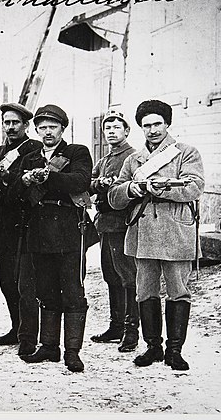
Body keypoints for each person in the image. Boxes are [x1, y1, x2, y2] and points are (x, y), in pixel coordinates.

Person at [108, 100, 204, 371]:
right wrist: (133, 189)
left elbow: (194, 187)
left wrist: (158, 188)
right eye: (146, 125)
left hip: (175, 230)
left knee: (178, 292)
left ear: (167, 124)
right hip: (143, 232)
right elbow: (114, 198)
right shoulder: (133, 160)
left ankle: (175, 350)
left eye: (157, 124)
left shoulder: (185, 152)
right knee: (144, 292)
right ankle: (153, 348)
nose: (152, 130)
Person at [13, 104, 96, 372]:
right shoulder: (30, 158)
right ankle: (49, 347)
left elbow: (80, 181)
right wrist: (25, 181)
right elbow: (15, 195)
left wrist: (48, 177)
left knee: (72, 291)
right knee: (45, 291)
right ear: (36, 130)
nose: (48, 132)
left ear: (63, 129)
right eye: (43, 128)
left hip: (70, 231)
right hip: (38, 231)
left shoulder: (76, 152)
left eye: (53, 127)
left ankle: (73, 351)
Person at [0, 102, 42, 355]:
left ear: (26, 125)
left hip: (26, 222)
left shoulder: (33, 149)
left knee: (26, 283)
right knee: (7, 281)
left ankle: (29, 334)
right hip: (4, 223)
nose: (10, 127)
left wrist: (2, 180)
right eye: (7, 122)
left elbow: (26, 187)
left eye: (15, 123)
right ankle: (16, 328)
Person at [89, 110, 139, 352]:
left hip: (124, 224)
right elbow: (88, 183)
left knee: (128, 277)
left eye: (117, 127)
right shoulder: (104, 159)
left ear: (127, 131)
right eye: (107, 127)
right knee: (110, 276)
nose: (111, 131)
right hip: (105, 225)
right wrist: (99, 184)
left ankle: (132, 330)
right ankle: (116, 326)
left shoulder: (134, 157)